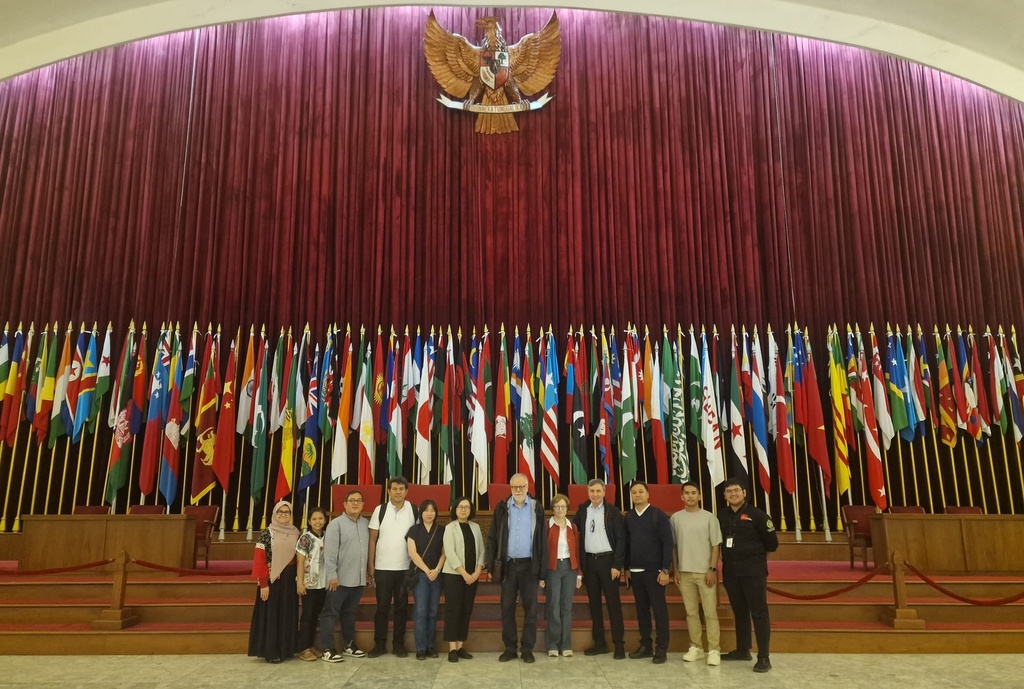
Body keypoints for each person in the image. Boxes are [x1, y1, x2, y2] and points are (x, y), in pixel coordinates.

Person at [718, 478, 779, 673]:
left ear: (744, 492)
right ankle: (743, 649)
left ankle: (763, 657)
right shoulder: (721, 516)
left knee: (759, 613)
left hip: (753, 573)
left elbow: (772, 544)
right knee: (740, 612)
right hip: (731, 573)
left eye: (736, 490)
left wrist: (754, 558)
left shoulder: (759, 516)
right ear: (725, 496)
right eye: (729, 491)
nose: (733, 494)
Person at [486, 472, 547, 663]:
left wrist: (542, 571)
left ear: (528, 487)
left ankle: (527, 649)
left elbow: (542, 542)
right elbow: (493, 537)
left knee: (531, 609)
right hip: (509, 566)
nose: (518, 490)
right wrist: (490, 565)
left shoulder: (537, 508)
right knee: (507, 608)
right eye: (514, 487)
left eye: (521, 487)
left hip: (530, 566)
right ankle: (510, 648)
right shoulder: (502, 507)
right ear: (510, 488)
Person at [669, 481, 723, 666]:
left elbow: (716, 545)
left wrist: (712, 569)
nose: (690, 496)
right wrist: (675, 569)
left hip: (705, 573)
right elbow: (674, 547)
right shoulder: (675, 518)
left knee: (710, 612)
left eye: (694, 493)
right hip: (684, 573)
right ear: (682, 497)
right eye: (687, 493)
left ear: (699, 496)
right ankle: (697, 647)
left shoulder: (710, 518)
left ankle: (714, 649)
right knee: (691, 613)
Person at [572, 478, 626, 659]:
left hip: (609, 563)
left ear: (604, 492)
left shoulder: (613, 512)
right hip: (590, 563)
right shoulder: (582, 511)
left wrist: (617, 565)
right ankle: (600, 643)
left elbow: (621, 540)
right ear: (587, 493)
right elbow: (572, 531)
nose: (594, 494)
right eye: (591, 491)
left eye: (598, 491)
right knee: (594, 605)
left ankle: (619, 644)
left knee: (613, 604)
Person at [367, 476, 419, 657]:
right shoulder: (379, 510)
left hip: (404, 568)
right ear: (388, 491)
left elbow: (418, 539)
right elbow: (372, 539)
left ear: (407, 491)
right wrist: (371, 565)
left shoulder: (414, 510)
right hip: (382, 568)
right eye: (394, 489)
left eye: (401, 489)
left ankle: (398, 644)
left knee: (401, 608)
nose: (398, 492)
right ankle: (379, 644)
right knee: (382, 608)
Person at [623, 481, 673, 664]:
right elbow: (627, 545)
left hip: (655, 572)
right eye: (634, 492)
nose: (637, 495)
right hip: (635, 572)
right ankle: (646, 645)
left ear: (647, 494)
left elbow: (668, 543)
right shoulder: (628, 517)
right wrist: (627, 568)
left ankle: (661, 648)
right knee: (641, 612)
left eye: (640, 492)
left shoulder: (658, 515)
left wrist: (665, 569)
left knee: (659, 611)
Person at [318, 490, 371, 663]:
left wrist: (368, 574)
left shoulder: (365, 524)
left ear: (363, 504)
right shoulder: (336, 524)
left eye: (359, 500)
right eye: (352, 500)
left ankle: (349, 645)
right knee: (330, 614)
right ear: (344, 504)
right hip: (338, 580)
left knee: (349, 613)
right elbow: (330, 553)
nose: (355, 503)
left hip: (358, 580)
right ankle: (327, 649)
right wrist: (332, 575)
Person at [248, 500, 300, 663]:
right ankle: (271, 652)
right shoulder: (267, 533)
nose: (283, 515)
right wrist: (263, 584)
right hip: (272, 581)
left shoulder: (296, 533)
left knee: (286, 614)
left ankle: (286, 649)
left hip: (289, 581)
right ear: (274, 514)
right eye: (280, 512)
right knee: (272, 615)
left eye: (287, 512)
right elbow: (259, 560)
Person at [442, 496, 484, 663]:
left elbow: (481, 551)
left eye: (467, 507)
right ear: (455, 509)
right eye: (460, 506)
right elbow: (450, 553)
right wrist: (464, 573)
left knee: (466, 611)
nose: (464, 509)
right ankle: (452, 648)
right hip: (454, 576)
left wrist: (477, 572)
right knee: (453, 611)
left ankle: (460, 646)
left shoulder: (476, 527)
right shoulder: (450, 528)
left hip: (473, 577)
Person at [542, 493, 582, 657]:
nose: (560, 509)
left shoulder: (573, 526)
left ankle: (566, 645)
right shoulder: (546, 526)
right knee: (553, 606)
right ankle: (552, 644)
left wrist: (579, 574)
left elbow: (577, 550)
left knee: (566, 607)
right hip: (553, 568)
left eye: (563, 506)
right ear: (553, 509)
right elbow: (542, 552)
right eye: (557, 506)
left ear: (567, 508)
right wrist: (542, 575)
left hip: (570, 568)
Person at [406, 499, 447, 660]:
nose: (429, 513)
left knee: (432, 612)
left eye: (432, 510)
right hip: (421, 576)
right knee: (421, 612)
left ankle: (431, 646)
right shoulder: (413, 530)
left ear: (436, 513)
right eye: (426, 510)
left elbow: (445, 552)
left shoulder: (442, 530)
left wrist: (436, 570)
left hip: (437, 575)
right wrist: (427, 570)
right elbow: (412, 553)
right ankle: (421, 648)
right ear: (421, 513)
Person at [296, 507, 329, 661]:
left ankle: (311, 646)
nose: (318, 521)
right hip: (308, 582)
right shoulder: (305, 538)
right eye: (314, 519)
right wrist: (300, 582)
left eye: (320, 518)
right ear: (309, 521)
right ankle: (303, 648)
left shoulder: (327, 537)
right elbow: (300, 561)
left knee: (315, 614)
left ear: (325, 520)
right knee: (307, 615)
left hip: (322, 582)